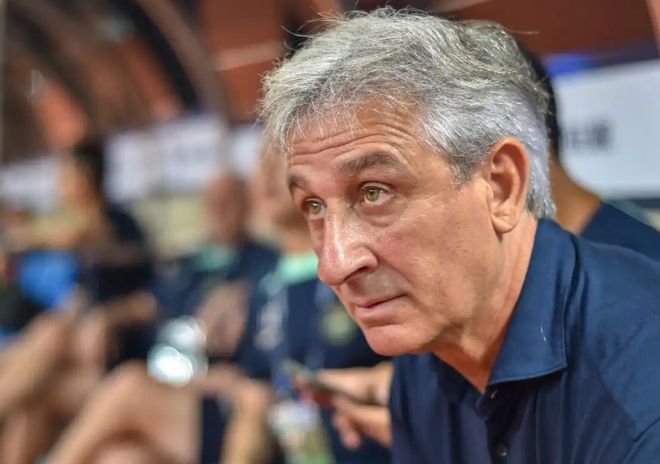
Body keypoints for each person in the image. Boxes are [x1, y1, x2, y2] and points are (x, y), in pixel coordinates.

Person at [258, 8, 660, 463]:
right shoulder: (427, 348)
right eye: (313, 206)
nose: (334, 265)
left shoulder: (640, 400)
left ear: (501, 186)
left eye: (374, 193)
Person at [46, 172, 278, 464]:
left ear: (247, 207)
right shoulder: (191, 262)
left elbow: (255, 372)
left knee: (128, 385)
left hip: (210, 395)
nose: (217, 210)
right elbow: (149, 303)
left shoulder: (262, 266)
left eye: (227, 202)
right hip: (163, 377)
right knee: (119, 457)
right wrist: (106, 317)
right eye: (211, 202)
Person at [223, 151, 389, 464]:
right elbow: (255, 394)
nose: (267, 177)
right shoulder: (263, 285)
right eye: (260, 166)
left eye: (278, 162)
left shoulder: (357, 265)